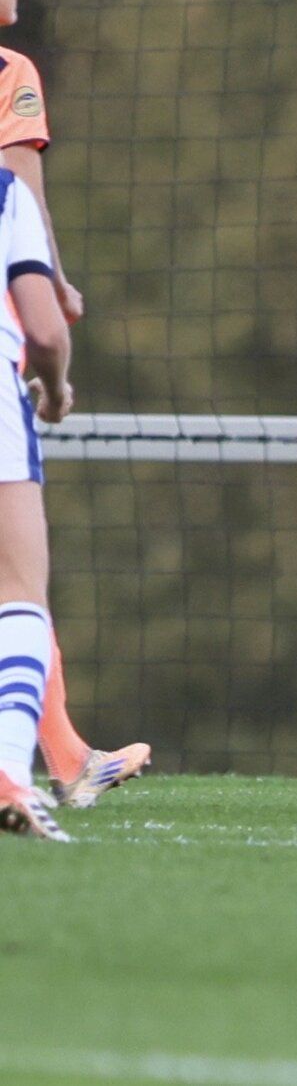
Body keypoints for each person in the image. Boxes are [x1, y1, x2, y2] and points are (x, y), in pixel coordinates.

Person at [0, 0, 153, 810]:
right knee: (18, 573)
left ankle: (63, 753)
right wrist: (50, 284)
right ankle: (42, 764)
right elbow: (16, 189)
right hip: (5, 328)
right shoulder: (11, 75)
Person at [0, 164, 74, 839]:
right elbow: (46, 331)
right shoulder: (6, 191)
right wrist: (52, 389)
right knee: (20, 593)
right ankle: (7, 770)